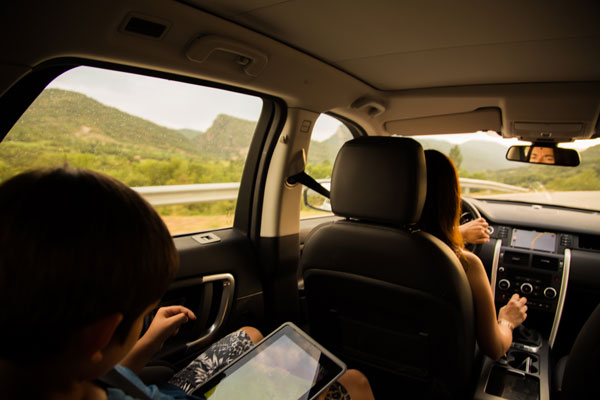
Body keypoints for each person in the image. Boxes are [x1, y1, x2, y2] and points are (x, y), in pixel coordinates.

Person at [0, 167, 374, 400]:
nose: (146, 321)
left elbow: (105, 372)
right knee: (354, 382)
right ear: (97, 337)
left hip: (163, 388)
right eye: (142, 316)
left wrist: (147, 342)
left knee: (251, 335)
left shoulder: (54, 369)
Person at [418, 150, 528, 360]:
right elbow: (495, 349)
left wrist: (456, 233)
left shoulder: (357, 244)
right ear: (450, 199)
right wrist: (507, 321)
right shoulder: (466, 264)